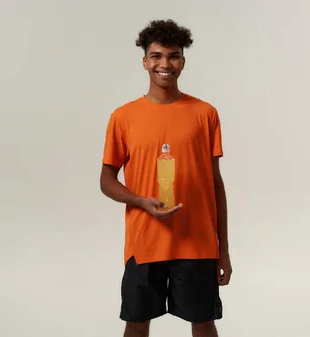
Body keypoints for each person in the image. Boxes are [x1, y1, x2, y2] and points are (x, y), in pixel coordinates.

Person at [99, 19, 232, 337]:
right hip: (144, 242)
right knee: (136, 322)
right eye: (156, 56)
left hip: (196, 243)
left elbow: (215, 184)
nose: (165, 63)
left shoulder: (205, 114)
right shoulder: (123, 117)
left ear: (182, 62)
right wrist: (139, 201)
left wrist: (222, 249)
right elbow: (107, 180)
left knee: (203, 322)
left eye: (173, 56)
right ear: (145, 61)